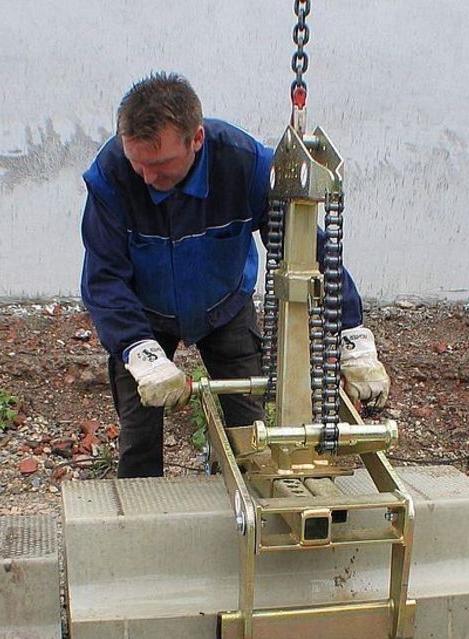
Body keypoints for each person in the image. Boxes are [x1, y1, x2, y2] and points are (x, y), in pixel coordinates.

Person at [80, 72, 389, 478]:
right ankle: (139, 519)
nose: (148, 179)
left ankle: (246, 513)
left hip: (224, 307)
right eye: (139, 164)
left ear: (197, 140)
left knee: (251, 430)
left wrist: (352, 335)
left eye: (160, 166)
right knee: (139, 435)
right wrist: (140, 352)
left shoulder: (245, 166)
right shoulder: (112, 177)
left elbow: (307, 250)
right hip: (144, 313)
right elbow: (104, 277)